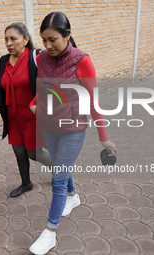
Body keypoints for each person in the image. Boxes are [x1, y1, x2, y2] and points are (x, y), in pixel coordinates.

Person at [28, 12, 116, 254]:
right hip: (49, 127)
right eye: (43, 40)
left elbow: (94, 101)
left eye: (53, 39)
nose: (47, 46)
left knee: (57, 179)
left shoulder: (82, 61)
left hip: (72, 129)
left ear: (68, 35)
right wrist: (33, 103)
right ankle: (73, 196)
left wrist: (103, 136)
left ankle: (50, 232)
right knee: (59, 165)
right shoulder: (42, 58)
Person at [0, 22, 53, 198]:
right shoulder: (4, 60)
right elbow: (5, 86)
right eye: (6, 39)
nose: (9, 43)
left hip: (32, 117)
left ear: (25, 40)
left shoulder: (35, 57)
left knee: (34, 153)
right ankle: (26, 184)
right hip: (13, 117)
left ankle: (58, 170)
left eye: (13, 39)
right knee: (18, 151)